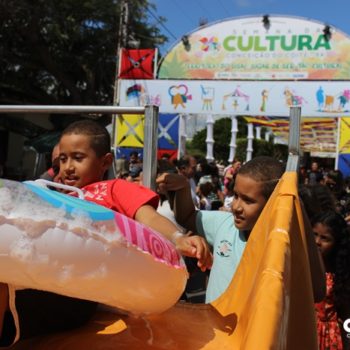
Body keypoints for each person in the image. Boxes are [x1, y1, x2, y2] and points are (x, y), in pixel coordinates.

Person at [0, 120, 212, 346]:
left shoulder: (113, 189)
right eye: (62, 159)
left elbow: (147, 217)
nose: (68, 167)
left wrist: (178, 238)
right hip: (32, 277)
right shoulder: (52, 196)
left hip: (74, 290)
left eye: (78, 158)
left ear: (105, 161)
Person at [157, 156, 326, 304]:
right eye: (236, 195)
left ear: (274, 204)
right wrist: (183, 187)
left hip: (252, 339)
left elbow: (316, 292)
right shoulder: (225, 224)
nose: (236, 206)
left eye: (248, 201)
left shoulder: (284, 244)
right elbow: (187, 216)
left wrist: (297, 209)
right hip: (213, 333)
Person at [312, 211, 350, 349]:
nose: (317, 242)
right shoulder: (303, 266)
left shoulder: (341, 275)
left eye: (325, 238)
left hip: (330, 339)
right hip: (304, 330)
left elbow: (347, 316)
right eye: (314, 234)